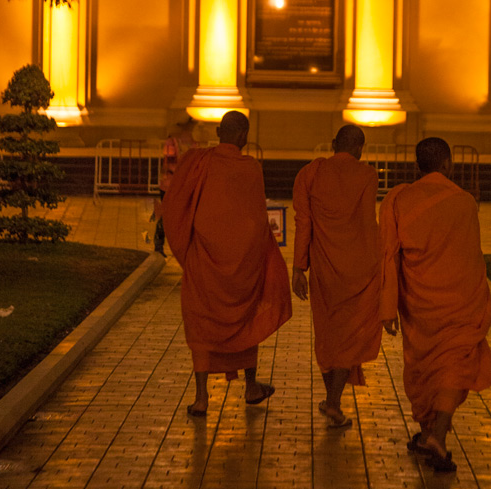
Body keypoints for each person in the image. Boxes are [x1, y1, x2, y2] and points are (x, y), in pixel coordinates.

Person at [162, 110, 292, 416]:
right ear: (243, 137)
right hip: (242, 264)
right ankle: (250, 387)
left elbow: (174, 205)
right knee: (245, 319)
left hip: (204, 260)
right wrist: (260, 257)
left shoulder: (197, 162)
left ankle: (201, 398)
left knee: (201, 326)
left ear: (220, 132)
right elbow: (257, 220)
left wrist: (188, 246)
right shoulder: (250, 169)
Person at [379, 136, 491, 472]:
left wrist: (388, 307)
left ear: (418, 166)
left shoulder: (401, 200)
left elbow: (388, 257)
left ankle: (432, 433)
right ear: (447, 165)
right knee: (454, 364)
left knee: (426, 367)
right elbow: (472, 256)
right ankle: (436, 437)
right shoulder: (464, 202)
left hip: (420, 306)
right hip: (460, 304)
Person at [292, 124, 381, 428]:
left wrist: (298, 267)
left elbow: (303, 223)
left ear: (333, 144)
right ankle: (333, 402)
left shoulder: (310, 174)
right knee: (350, 335)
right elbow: (369, 223)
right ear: (360, 150)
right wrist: (380, 267)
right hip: (359, 269)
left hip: (323, 269)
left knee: (329, 333)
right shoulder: (368, 175)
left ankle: (332, 400)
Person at [153, 116, 200, 255]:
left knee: (186, 217)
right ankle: (159, 245)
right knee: (166, 215)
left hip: (186, 186)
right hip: (170, 185)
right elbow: (170, 164)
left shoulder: (193, 144)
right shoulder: (172, 143)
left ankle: (185, 247)